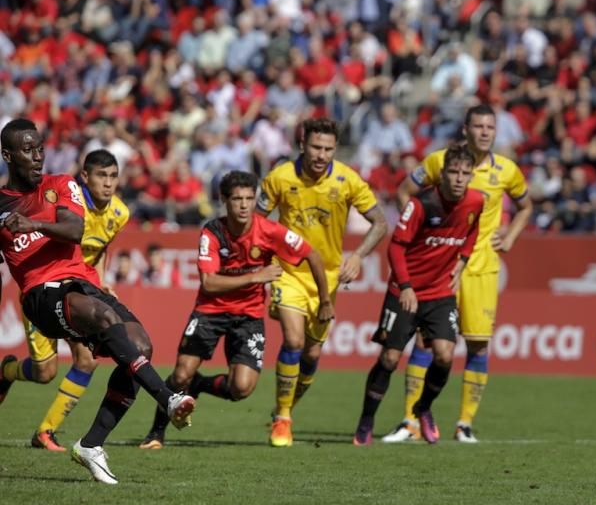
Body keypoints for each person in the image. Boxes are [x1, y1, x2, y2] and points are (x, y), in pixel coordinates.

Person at [0, 118, 194, 484]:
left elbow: (75, 229)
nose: (38, 156)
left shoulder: (60, 184)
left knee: (140, 346)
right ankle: (167, 398)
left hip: (82, 282)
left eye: (40, 147)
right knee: (67, 352)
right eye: (28, 150)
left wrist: (31, 224)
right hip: (39, 294)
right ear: (8, 155)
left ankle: (91, 444)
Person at [137, 170, 332, 448]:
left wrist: (325, 300)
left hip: (249, 316)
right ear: (224, 201)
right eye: (237, 199)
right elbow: (209, 282)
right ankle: (156, 432)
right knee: (180, 374)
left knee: (241, 389)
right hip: (210, 310)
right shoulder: (213, 232)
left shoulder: (269, 231)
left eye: (249, 199)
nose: (244, 205)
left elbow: (311, 254)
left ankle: (200, 386)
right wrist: (255, 276)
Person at [385, 104, 532, 443]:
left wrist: (510, 236)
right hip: (440, 268)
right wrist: (417, 231)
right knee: (424, 340)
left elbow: (526, 205)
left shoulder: (507, 170)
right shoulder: (441, 162)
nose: (484, 132)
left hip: (480, 268)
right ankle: (410, 422)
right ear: (465, 129)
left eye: (490, 127)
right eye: (478, 126)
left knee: (478, 345)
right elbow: (404, 191)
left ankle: (464, 424)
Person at [257, 117, 387, 447]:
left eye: (328, 149)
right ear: (302, 144)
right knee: (294, 340)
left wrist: (357, 256)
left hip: (326, 278)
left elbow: (380, 222)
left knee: (312, 356)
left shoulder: (347, 179)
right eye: (316, 147)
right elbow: (256, 223)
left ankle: (282, 410)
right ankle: (284, 420)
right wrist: (261, 264)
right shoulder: (280, 177)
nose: (322, 155)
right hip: (289, 271)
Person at [353, 144, 483, 445]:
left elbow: (473, 231)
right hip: (404, 290)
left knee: (445, 354)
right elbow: (396, 247)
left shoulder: (476, 201)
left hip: (440, 292)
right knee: (390, 358)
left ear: (471, 175)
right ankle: (367, 418)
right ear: (442, 173)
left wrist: (462, 260)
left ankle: (422, 407)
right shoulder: (421, 203)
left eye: (465, 173)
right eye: (453, 171)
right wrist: (407, 286)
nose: (459, 178)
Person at [19, 149, 131, 452]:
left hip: (80, 292)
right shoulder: (66, 203)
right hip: (46, 290)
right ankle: (7, 373)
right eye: (101, 176)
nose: (108, 183)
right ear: (85, 177)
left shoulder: (120, 213)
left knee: (87, 360)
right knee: (44, 372)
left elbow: (101, 248)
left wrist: (103, 279)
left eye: (113, 176)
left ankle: (46, 431)